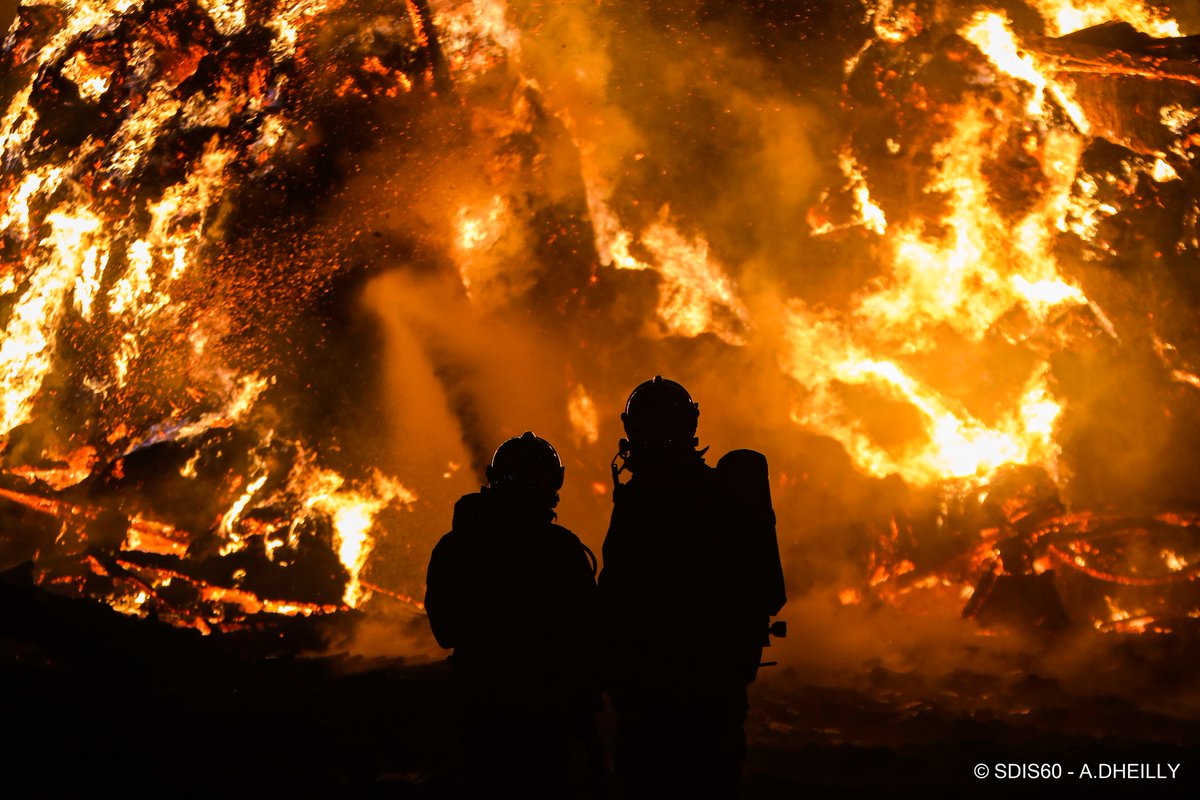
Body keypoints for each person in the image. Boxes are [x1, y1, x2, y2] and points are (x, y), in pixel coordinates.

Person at [599, 377, 786, 799]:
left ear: (631, 428)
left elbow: (614, 597)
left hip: (649, 688)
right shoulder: (725, 495)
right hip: (714, 683)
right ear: (691, 423)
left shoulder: (639, 504)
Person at [425, 432, 600, 799]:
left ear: (492, 477)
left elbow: (446, 630)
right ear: (555, 482)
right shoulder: (562, 549)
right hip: (547, 715)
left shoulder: (456, 546)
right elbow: (587, 633)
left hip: (480, 709)